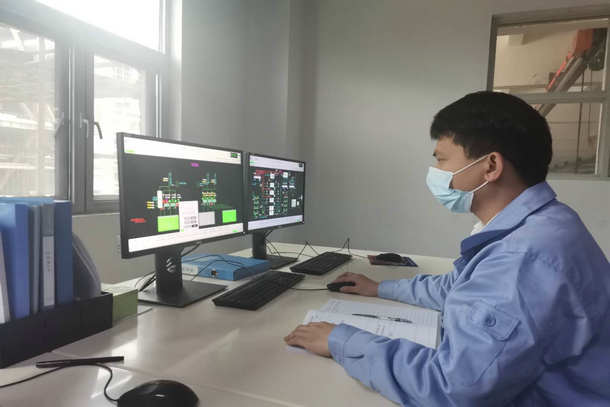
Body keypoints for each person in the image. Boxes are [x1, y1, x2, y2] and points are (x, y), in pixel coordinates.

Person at [284, 91, 610, 406]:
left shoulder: (523, 257)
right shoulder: (545, 222)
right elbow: (456, 288)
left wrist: (340, 340)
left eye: (442, 159)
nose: (436, 173)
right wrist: (379, 288)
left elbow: (454, 389)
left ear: (490, 166)